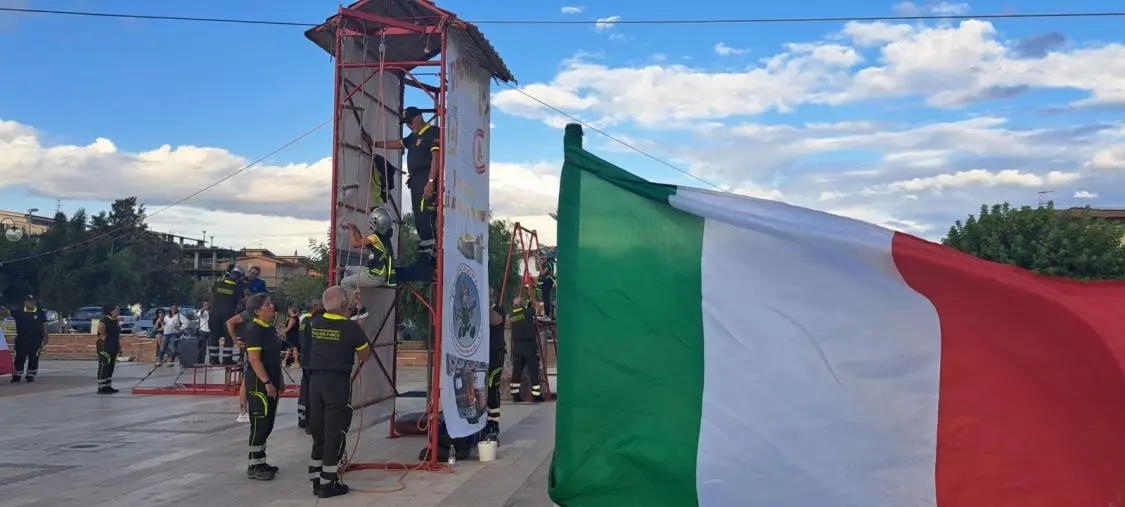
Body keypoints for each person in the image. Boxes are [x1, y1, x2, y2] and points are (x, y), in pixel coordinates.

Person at [306, 285, 372, 498]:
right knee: (334, 432)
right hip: (337, 382)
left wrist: (350, 307)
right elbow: (365, 356)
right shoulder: (351, 329)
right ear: (344, 305)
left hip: (315, 382)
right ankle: (328, 485)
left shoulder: (314, 322)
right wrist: (360, 328)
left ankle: (316, 480)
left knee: (318, 432)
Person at [368, 106, 440, 264]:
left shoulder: (433, 131)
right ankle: (425, 251)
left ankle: (432, 253)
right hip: (415, 179)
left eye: (411, 121)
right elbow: (399, 143)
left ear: (419, 117)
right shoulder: (413, 137)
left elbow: (436, 157)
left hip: (426, 176)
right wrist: (375, 144)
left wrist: (431, 182)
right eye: (406, 123)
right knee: (418, 215)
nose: (409, 125)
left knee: (426, 213)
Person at [241, 293, 284, 481]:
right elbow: (254, 359)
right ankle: (254, 465)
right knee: (260, 423)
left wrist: (278, 380)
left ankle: (261, 460)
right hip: (259, 385)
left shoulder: (269, 329)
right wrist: (267, 382)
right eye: (267, 305)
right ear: (258, 311)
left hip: (272, 381)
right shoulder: (255, 330)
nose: (272, 306)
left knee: (268, 422)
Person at [341, 205, 396, 291]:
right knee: (347, 269)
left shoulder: (374, 237)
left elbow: (355, 244)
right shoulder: (385, 235)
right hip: (376, 272)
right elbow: (362, 242)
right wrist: (355, 228)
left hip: (375, 276)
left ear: (376, 222)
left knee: (345, 282)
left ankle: (353, 299)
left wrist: (351, 228)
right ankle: (353, 293)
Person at [508, 296, 545, 403]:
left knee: (517, 371)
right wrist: (533, 301)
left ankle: (515, 395)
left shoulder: (511, 315)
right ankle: (536, 396)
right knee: (533, 371)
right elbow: (538, 308)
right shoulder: (527, 312)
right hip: (529, 346)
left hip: (517, 346)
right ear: (522, 304)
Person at [208, 266, 245, 365]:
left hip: (214, 315)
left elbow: (212, 295)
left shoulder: (217, 284)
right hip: (228, 316)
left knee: (214, 336)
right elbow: (240, 304)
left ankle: (213, 360)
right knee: (228, 337)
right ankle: (227, 359)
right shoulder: (238, 288)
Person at [297, 297, 324, 431]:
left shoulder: (303, 320)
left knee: (305, 390)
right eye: (319, 305)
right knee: (313, 393)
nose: (322, 307)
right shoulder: (314, 321)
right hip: (313, 362)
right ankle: (311, 422)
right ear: (314, 307)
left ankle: (302, 419)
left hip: (305, 360)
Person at [10, 295, 49, 383]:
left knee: (34, 357)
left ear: (35, 302)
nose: (31, 303)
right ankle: (17, 375)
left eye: (32, 301)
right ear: (25, 302)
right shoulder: (18, 312)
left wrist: (46, 336)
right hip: (22, 338)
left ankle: (30, 375)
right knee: (20, 357)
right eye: (28, 301)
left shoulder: (40, 312)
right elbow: (6, 313)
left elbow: (44, 324)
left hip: (36, 339)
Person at [484, 291, 506, 439]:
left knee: (493, 388)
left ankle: (493, 423)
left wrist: (484, 304)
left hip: (496, 356)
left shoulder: (498, 310)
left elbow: (494, 320)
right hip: (483, 357)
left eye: (489, 295)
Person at [95, 305, 121, 394]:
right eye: (116, 309)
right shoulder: (105, 319)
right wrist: (103, 334)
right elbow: (100, 327)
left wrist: (119, 347)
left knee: (110, 366)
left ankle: (107, 386)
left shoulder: (115, 321)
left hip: (113, 346)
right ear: (111, 311)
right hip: (105, 347)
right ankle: (101, 388)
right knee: (104, 365)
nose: (118, 311)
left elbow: (117, 335)